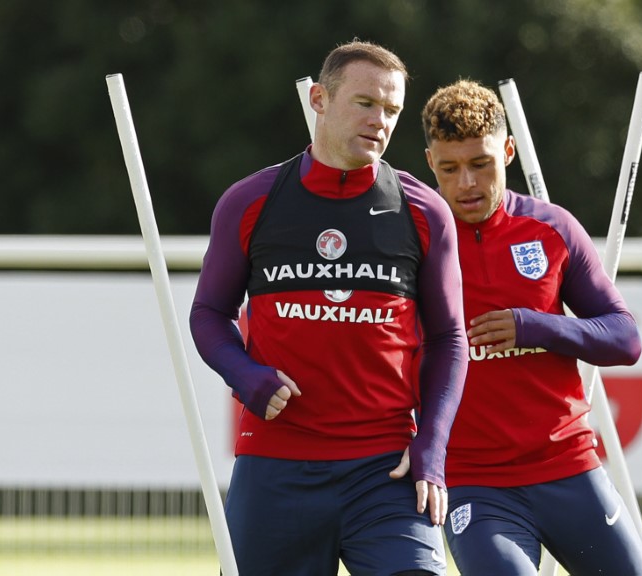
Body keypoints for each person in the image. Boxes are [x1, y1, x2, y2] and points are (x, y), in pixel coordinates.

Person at [190, 40, 468, 576]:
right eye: (365, 103)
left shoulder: (425, 210)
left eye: (391, 110)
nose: (380, 121)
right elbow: (208, 314)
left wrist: (432, 447)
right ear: (319, 98)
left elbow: (450, 339)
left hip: (386, 469)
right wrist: (245, 374)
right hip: (275, 465)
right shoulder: (249, 201)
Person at [421, 79, 642, 575]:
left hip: (569, 468)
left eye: (480, 164)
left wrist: (534, 326)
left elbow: (625, 339)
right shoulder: (413, 240)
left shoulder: (551, 228)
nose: (466, 183)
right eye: (450, 168)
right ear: (430, 164)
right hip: (475, 483)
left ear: (507, 151)